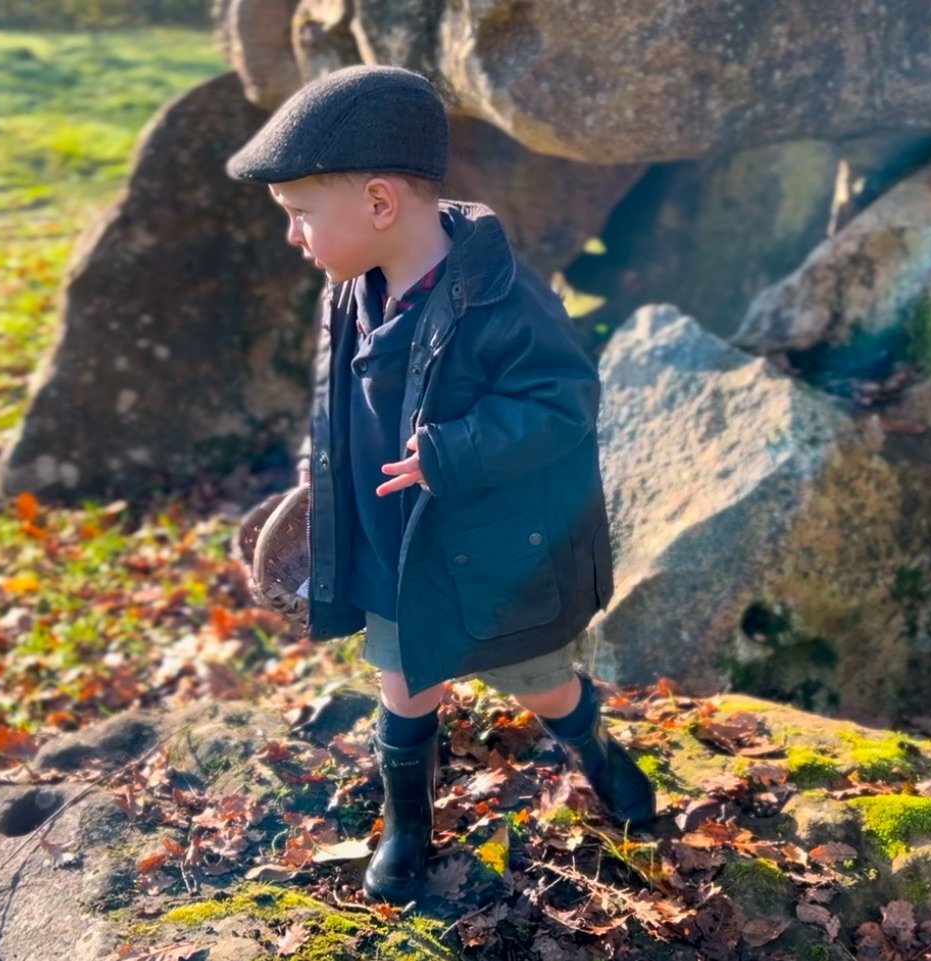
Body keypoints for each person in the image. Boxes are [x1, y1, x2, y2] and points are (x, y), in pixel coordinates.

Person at [226, 64, 655, 905]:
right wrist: (323, 469)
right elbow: (341, 402)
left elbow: (563, 403)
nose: (292, 236)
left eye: (300, 213)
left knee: (538, 679)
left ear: (379, 204)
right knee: (404, 682)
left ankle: (593, 746)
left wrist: (454, 450)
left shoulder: (506, 301)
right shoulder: (348, 292)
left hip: (492, 551)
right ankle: (408, 826)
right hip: (396, 540)